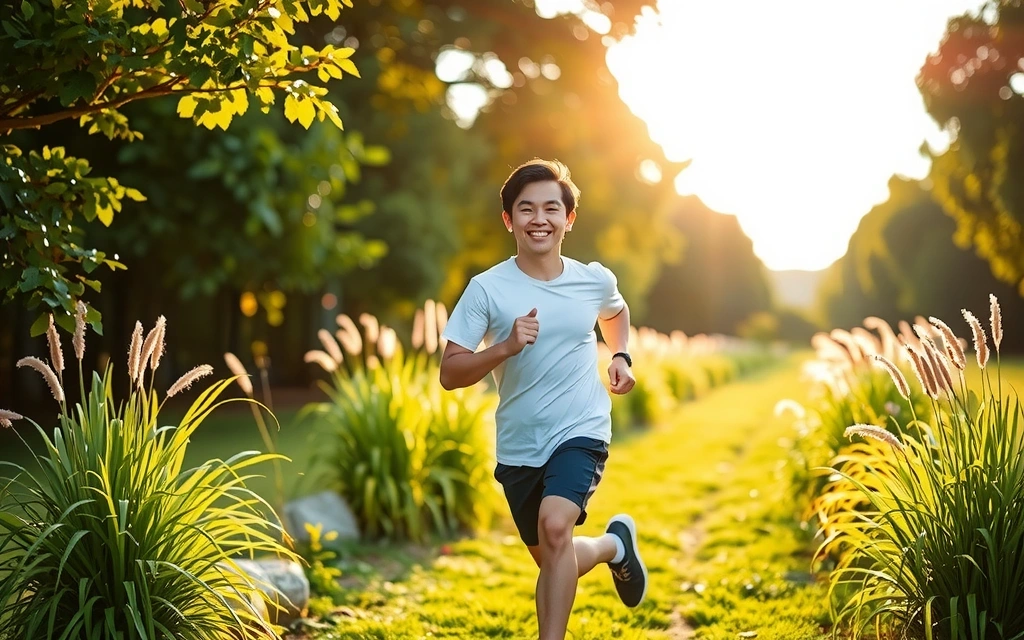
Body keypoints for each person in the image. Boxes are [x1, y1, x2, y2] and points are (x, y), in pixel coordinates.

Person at [438, 159, 648, 640]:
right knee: (556, 555)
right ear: (508, 219)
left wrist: (620, 355)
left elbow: (616, 312)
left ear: (568, 219)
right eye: (526, 209)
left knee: (556, 529)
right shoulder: (487, 289)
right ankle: (614, 547)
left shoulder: (592, 280)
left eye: (551, 208)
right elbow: (450, 373)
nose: (540, 219)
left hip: (581, 429)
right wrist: (505, 347)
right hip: (519, 445)